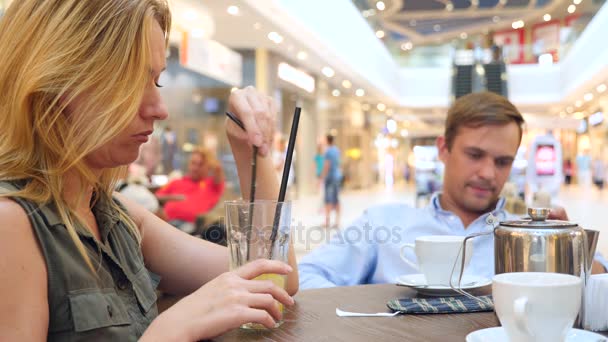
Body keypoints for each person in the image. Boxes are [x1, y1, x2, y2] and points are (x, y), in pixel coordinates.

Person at [0, 1, 297, 340]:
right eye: (133, 80)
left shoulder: (114, 215)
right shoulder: (12, 224)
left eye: (156, 81)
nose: (160, 110)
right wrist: (171, 330)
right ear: (58, 79)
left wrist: (249, 149)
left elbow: (273, 278)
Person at [299, 92, 606, 290]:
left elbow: (602, 277)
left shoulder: (525, 237)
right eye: (474, 155)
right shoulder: (383, 225)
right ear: (443, 149)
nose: (488, 173)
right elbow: (306, 277)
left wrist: (573, 252)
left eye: (502, 162)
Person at [156, 148, 224, 231]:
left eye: (200, 164)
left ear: (208, 167)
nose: (195, 168)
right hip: (166, 222)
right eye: (193, 163)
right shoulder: (176, 182)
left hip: (191, 227)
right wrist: (173, 197)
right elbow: (155, 197)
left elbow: (218, 169)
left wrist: (210, 158)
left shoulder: (212, 185)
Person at [322, 134, 342, 228]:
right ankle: (337, 221)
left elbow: (327, 165)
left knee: (328, 199)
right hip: (337, 176)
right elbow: (338, 163)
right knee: (336, 198)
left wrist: (322, 176)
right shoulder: (337, 150)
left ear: (327, 140)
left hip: (330, 177)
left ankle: (327, 221)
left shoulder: (328, 151)